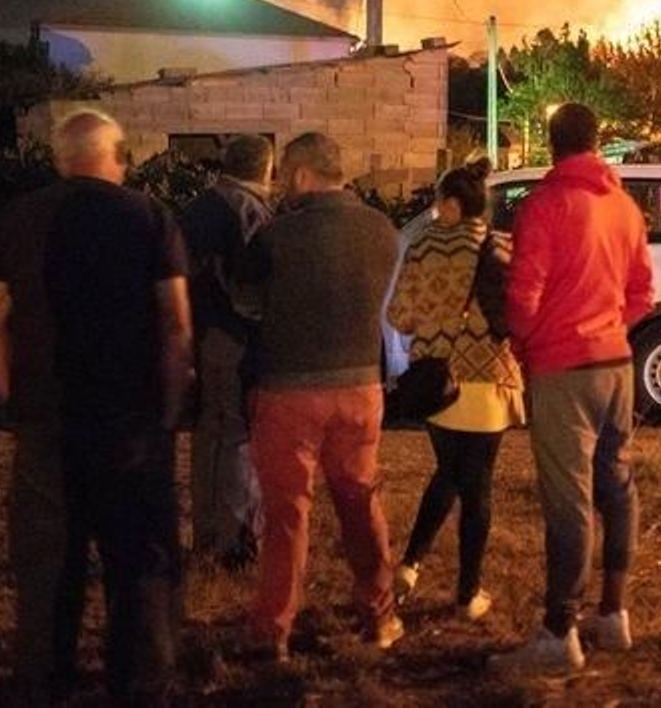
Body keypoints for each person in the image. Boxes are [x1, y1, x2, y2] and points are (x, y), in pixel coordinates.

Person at [0, 109, 192, 704]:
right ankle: (140, 680)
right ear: (116, 155)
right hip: (131, 418)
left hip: (46, 415)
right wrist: (170, 408)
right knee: (139, 554)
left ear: (60, 159)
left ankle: (46, 678)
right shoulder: (149, 216)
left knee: (47, 559)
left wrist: (13, 396)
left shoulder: (20, 216)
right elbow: (176, 323)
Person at [493, 103, 655, 675]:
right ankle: (613, 614)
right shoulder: (624, 207)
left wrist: (525, 341)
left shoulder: (545, 205)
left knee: (570, 502)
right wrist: (605, 326)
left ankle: (559, 633)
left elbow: (524, 296)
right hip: (616, 365)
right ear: (597, 141)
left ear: (551, 143)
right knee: (618, 487)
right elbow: (643, 294)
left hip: (563, 370)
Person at [235, 132, 404, 660]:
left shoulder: (276, 236)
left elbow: (244, 298)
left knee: (287, 514)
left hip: (288, 390)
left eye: (287, 174)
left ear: (304, 174)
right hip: (360, 386)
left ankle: (274, 629)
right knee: (360, 500)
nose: (282, 185)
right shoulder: (382, 230)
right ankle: (380, 615)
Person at [387, 158, 524, 621]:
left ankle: (410, 565)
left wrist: (433, 316)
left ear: (450, 204)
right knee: (477, 483)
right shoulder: (501, 246)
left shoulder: (422, 247)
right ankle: (467, 593)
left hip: (438, 379)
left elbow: (398, 316)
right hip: (488, 378)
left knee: (448, 471)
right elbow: (517, 309)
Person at [180, 134, 274, 570]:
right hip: (234, 337)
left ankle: (207, 532)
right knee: (239, 435)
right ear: (266, 168)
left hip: (202, 335)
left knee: (210, 435)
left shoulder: (196, 208)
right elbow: (249, 287)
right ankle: (237, 540)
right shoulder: (248, 211)